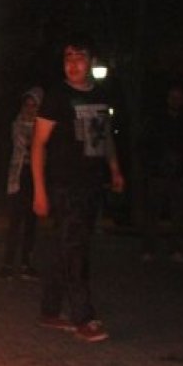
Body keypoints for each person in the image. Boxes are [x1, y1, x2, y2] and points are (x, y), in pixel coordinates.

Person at [31, 37, 125, 342]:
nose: (73, 64)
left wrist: (114, 168)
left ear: (91, 61)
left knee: (66, 247)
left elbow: (105, 136)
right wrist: (39, 191)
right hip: (64, 185)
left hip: (91, 183)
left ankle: (49, 310)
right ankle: (83, 317)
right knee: (75, 252)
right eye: (68, 58)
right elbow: (38, 144)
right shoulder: (57, 97)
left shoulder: (99, 94)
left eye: (79, 58)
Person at [141, 85, 183, 262]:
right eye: (172, 97)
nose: (175, 100)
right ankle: (149, 248)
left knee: (177, 214)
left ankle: (176, 248)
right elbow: (146, 143)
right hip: (158, 172)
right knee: (153, 212)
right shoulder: (157, 120)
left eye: (178, 97)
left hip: (178, 173)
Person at [0, 87, 43, 280]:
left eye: (34, 106)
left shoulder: (42, 126)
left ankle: (26, 263)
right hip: (18, 176)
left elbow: (40, 147)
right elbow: (25, 144)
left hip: (35, 177)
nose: (30, 109)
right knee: (15, 222)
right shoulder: (17, 124)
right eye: (27, 105)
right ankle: (8, 264)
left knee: (31, 223)